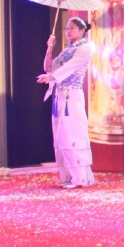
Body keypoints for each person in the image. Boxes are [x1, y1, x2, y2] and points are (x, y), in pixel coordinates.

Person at [38, 17, 96, 188]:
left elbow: (69, 68)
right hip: (59, 96)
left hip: (72, 96)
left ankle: (81, 178)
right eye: (66, 28)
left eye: (71, 28)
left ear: (82, 30)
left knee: (71, 134)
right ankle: (68, 177)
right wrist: (50, 48)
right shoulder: (66, 51)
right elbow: (49, 67)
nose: (68, 31)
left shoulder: (85, 49)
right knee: (60, 137)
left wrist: (51, 78)